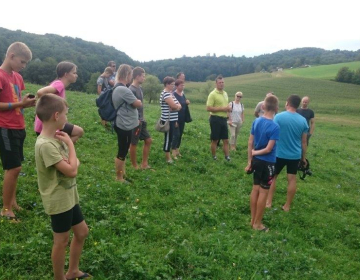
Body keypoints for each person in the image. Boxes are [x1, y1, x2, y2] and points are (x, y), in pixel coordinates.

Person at [35, 94, 90, 280]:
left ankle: (73, 271)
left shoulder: (56, 139)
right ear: (56, 116)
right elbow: (72, 170)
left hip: (69, 196)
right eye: (66, 114)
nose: (67, 118)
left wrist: (71, 160)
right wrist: (70, 146)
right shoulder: (46, 145)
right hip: (58, 201)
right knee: (61, 242)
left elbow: (75, 164)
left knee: (82, 232)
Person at [0, 42, 36, 221]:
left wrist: (27, 104)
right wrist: (20, 104)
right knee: (13, 168)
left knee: (15, 168)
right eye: (22, 62)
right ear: (11, 55)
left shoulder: (18, 78)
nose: (24, 66)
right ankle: (5, 209)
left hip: (19, 126)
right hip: (5, 127)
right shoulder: (0, 76)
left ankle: (12, 202)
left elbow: (17, 101)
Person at [266, 95, 308, 211]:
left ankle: (268, 202)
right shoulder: (303, 121)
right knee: (292, 179)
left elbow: (271, 134)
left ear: (287, 103)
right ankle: (287, 206)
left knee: (273, 177)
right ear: (298, 105)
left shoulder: (278, 117)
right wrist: (303, 158)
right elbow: (304, 142)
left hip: (278, 153)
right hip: (294, 155)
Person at [245, 95, 280, 232]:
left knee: (255, 190)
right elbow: (269, 149)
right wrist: (255, 153)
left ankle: (252, 220)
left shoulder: (257, 121)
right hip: (268, 163)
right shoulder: (275, 127)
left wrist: (250, 161)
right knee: (263, 192)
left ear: (263, 107)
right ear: (277, 109)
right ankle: (257, 224)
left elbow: (250, 142)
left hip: (257, 162)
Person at [34, 61, 84, 144]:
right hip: (48, 125)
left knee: (79, 131)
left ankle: (63, 150)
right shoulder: (59, 84)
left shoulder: (59, 85)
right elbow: (40, 92)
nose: (76, 75)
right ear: (66, 74)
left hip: (54, 122)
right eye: (74, 73)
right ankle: (62, 150)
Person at [113, 64, 142, 183]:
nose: (131, 77)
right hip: (123, 124)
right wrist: (138, 101)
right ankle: (119, 178)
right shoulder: (123, 89)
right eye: (130, 74)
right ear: (127, 75)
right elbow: (137, 103)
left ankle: (122, 174)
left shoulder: (118, 87)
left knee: (124, 150)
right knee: (122, 151)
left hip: (125, 123)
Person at [129, 67, 153, 169]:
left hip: (141, 120)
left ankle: (144, 164)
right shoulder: (131, 90)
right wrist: (136, 119)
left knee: (148, 140)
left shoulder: (140, 88)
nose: (144, 78)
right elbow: (130, 107)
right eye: (143, 76)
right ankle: (134, 165)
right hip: (135, 121)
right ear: (137, 76)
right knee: (134, 143)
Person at [206, 75, 231, 161]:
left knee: (226, 140)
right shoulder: (212, 94)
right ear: (216, 84)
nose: (221, 84)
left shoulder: (225, 93)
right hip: (215, 119)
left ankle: (227, 156)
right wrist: (223, 108)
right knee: (215, 140)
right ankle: (214, 156)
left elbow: (226, 106)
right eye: (219, 83)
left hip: (224, 119)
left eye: (223, 82)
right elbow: (208, 108)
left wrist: (228, 111)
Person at [160, 76, 182, 163]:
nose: (173, 86)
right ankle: (168, 157)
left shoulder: (171, 94)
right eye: (172, 84)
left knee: (171, 136)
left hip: (173, 119)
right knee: (168, 138)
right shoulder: (166, 93)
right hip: (168, 120)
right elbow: (174, 105)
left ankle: (168, 154)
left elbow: (178, 105)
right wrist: (176, 107)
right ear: (167, 84)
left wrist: (176, 107)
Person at [173, 78, 190, 158]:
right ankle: (173, 151)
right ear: (176, 86)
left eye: (183, 85)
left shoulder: (182, 94)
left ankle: (177, 150)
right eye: (181, 85)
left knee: (180, 134)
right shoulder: (174, 95)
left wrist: (187, 102)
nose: (183, 86)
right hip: (176, 117)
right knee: (176, 134)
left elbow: (184, 102)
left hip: (183, 117)